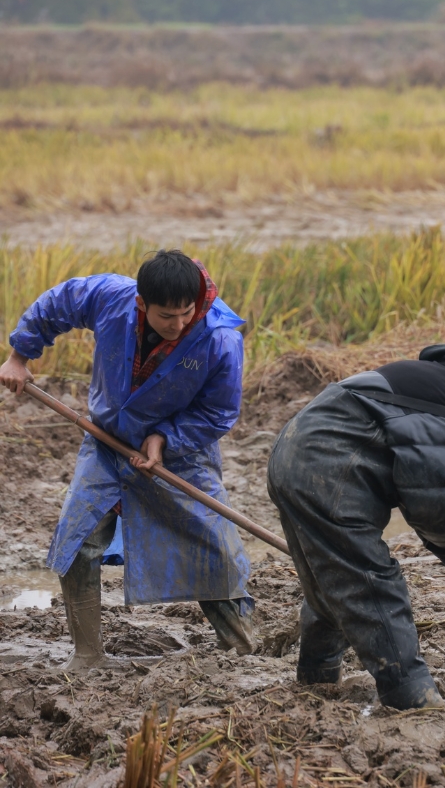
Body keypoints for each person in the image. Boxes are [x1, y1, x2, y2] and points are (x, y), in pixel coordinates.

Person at [0, 249, 255, 670]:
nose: (178, 326)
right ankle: (87, 655)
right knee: (78, 539)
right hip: (107, 440)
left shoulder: (219, 338)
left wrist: (165, 440)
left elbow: (218, 412)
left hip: (180, 454)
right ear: (141, 303)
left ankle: (245, 648)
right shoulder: (110, 297)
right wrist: (20, 355)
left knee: (214, 549)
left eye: (186, 314)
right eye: (166, 317)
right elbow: (57, 303)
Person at [267, 325, 445, 711]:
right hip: (328, 469)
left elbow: (430, 505)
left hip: (291, 454)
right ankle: (412, 698)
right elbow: (436, 513)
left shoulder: (435, 380)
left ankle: (317, 680)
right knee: (372, 583)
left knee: (328, 579)